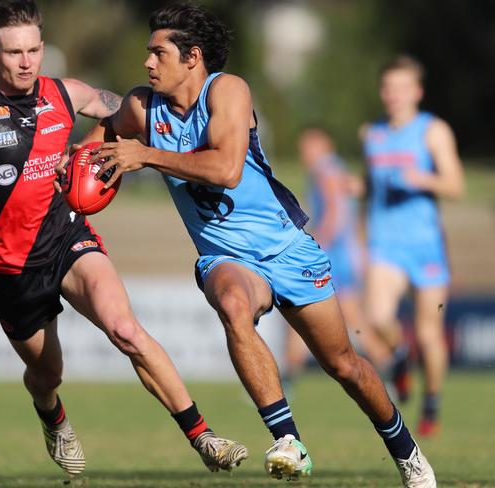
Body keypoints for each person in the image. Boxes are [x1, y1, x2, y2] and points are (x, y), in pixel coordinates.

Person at [73, 4, 437, 486]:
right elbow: (108, 132)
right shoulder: (143, 107)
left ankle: (406, 450)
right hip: (226, 257)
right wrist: (75, 165)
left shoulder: (227, 90)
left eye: (158, 52)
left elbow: (226, 168)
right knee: (231, 304)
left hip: (287, 249)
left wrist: (148, 156)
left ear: (192, 57)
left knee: (344, 365)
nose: (148, 63)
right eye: (148, 53)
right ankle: (287, 439)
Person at [0, 0, 248, 479]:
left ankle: (203, 437)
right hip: (11, 267)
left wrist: (199, 121)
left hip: (67, 236)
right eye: (14, 52)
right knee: (46, 374)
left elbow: (135, 110)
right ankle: (51, 413)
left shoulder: (66, 93)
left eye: (34, 49)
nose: (27, 61)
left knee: (124, 329)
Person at [361, 55, 464, 437]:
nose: (394, 95)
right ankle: (400, 359)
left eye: (402, 88)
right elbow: (371, 185)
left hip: (426, 246)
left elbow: (455, 185)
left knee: (428, 334)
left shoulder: (432, 131)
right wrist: (359, 190)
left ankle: (432, 402)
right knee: (376, 319)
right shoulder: (372, 135)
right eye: (388, 88)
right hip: (385, 244)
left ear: (417, 92)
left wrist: (424, 179)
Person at [282, 127, 391, 391]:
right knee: (313, 312)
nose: (303, 153)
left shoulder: (325, 170)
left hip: (334, 256)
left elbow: (335, 212)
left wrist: (316, 244)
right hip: (341, 254)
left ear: (323, 145)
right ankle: (287, 376)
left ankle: (390, 367)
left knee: (344, 317)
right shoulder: (334, 168)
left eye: (308, 147)